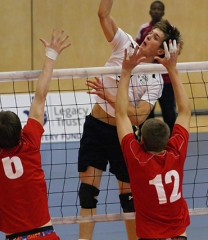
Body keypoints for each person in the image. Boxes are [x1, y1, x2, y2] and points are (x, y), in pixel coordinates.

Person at [78, 0, 183, 239]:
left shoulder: (155, 79)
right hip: (95, 128)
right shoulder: (124, 42)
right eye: (150, 33)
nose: (148, 36)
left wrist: (108, 96)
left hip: (122, 137)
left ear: (160, 50)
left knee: (129, 201)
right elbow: (103, 14)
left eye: (155, 37)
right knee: (87, 194)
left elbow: (136, 118)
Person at [0, 29, 70, 240]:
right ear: (20, 131)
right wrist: (51, 56)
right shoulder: (30, 142)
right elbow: (40, 98)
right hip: (47, 234)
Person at [115, 39, 190, 239]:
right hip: (178, 236)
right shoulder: (176, 151)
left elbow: (121, 114)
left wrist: (126, 70)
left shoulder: (137, 159)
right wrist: (172, 69)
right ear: (168, 141)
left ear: (141, 142)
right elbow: (184, 112)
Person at [136, 1, 177, 135]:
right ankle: (145, 142)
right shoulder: (143, 29)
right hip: (146, 80)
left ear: (163, 12)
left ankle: (171, 142)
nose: (156, 11)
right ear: (150, 11)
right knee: (147, 117)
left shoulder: (171, 30)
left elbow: (175, 51)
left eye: (159, 9)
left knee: (170, 115)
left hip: (166, 80)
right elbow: (138, 49)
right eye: (154, 8)